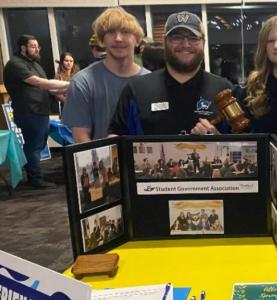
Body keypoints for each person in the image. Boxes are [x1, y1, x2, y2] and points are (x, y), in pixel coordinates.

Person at [108, 11, 232, 136]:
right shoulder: (136, 90)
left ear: (203, 42)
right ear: (164, 41)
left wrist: (217, 140)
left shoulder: (224, 91)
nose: (185, 44)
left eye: (193, 38)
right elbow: (115, 137)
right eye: (176, 38)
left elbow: (243, 146)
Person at [62, 7, 149, 143]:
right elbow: (81, 138)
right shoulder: (82, 82)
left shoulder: (151, 82)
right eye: (111, 32)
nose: (118, 38)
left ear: (137, 40)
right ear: (102, 40)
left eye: (125, 32)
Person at [3, 34, 69, 188]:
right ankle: (35, 179)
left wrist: (69, 93)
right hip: (28, 112)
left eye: (37, 46)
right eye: (32, 46)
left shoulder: (36, 65)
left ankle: (34, 175)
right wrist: (70, 84)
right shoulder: (15, 64)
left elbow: (49, 88)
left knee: (37, 145)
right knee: (33, 146)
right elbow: (39, 82)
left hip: (40, 111)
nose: (36, 49)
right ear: (23, 48)